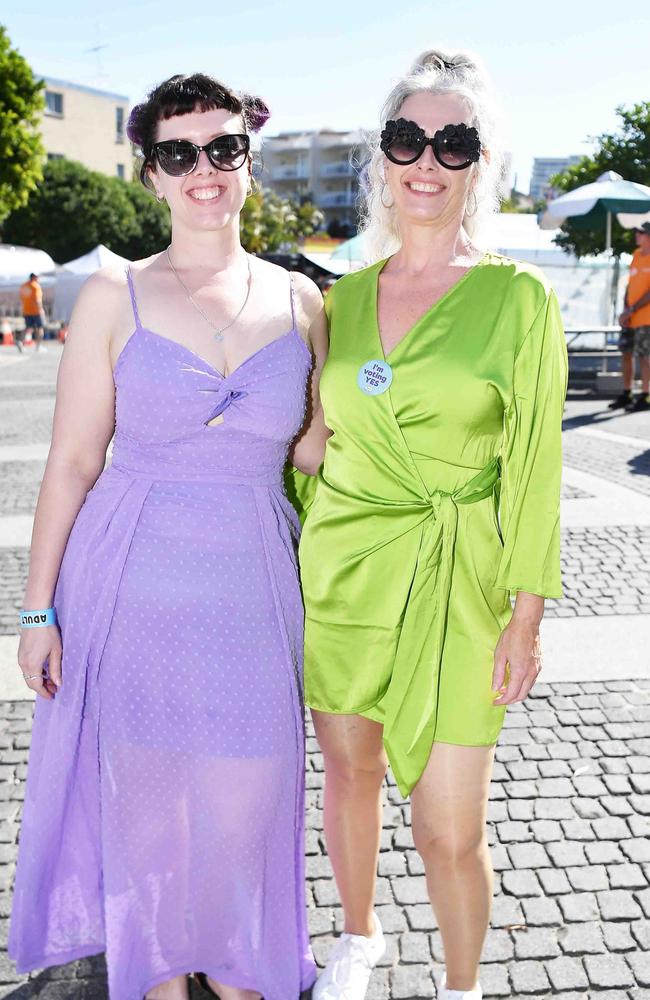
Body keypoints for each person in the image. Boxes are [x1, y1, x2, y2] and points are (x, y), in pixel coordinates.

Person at [9, 73, 328, 1000]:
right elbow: (70, 464)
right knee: (151, 813)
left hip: (253, 590)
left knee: (243, 803)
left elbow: (316, 455)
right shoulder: (114, 295)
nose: (203, 170)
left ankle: (235, 971)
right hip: (132, 584)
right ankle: (156, 979)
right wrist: (37, 611)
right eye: (179, 152)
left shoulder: (304, 301)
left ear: (248, 162)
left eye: (222, 148)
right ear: (152, 173)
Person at [295, 50, 567, 1000]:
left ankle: (462, 988)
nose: (428, 161)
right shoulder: (339, 299)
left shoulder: (518, 300)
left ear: (481, 164)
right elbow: (313, 443)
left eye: (454, 142)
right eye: (408, 137)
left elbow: (536, 466)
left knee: (451, 827)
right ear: (382, 156)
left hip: (462, 585)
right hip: (346, 575)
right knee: (349, 774)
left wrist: (526, 615)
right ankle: (360, 938)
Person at [609, 222, 650, 412]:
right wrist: (626, 308)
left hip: (646, 318)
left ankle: (645, 394)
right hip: (631, 316)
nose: (636, 235)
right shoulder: (635, 255)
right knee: (626, 353)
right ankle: (627, 393)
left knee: (644, 357)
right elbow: (630, 285)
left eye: (640, 232)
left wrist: (631, 309)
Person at [18, 272, 46, 353]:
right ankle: (38, 346)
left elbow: (22, 298)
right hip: (36, 311)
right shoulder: (36, 286)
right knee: (40, 328)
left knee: (27, 327)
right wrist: (41, 309)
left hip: (26, 310)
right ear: (34, 277)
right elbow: (38, 300)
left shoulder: (23, 286)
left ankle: (20, 342)